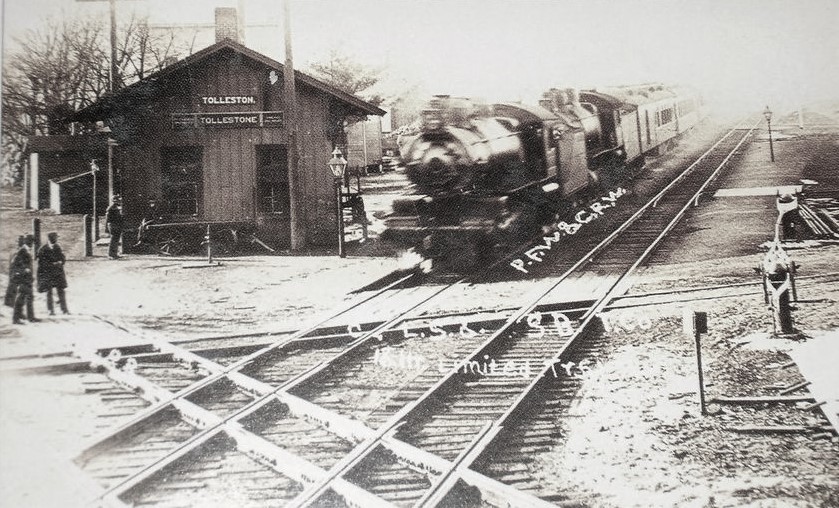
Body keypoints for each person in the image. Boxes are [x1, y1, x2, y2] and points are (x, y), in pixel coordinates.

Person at [37, 232, 69, 315]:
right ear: (50, 239)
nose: (56, 239)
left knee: (61, 291)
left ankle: (64, 309)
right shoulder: (43, 249)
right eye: (55, 238)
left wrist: (61, 262)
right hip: (48, 274)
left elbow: (62, 257)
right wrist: (53, 264)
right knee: (49, 292)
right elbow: (42, 263)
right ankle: (50, 310)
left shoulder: (57, 247)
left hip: (58, 273)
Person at [10, 235, 39, 324]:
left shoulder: (26, 250)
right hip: (23, 278)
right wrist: (24, 269)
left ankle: (30, 317)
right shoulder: (22, 250)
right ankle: (15, 319)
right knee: (21, 298)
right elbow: (14, 263)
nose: (32, 244)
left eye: (33, 242)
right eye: (31, 242)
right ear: (27, 242)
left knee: (29, 297)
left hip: (27, 278)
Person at [105, 195, 124, 259]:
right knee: (113, 240)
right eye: (118, 200)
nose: (119, 202)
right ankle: (111, 254)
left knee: (116, 240)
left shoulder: (115, 207)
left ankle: (114, 254)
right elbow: (108, 219)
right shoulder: (112, 208)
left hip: (116, 225)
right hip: (113, 225)